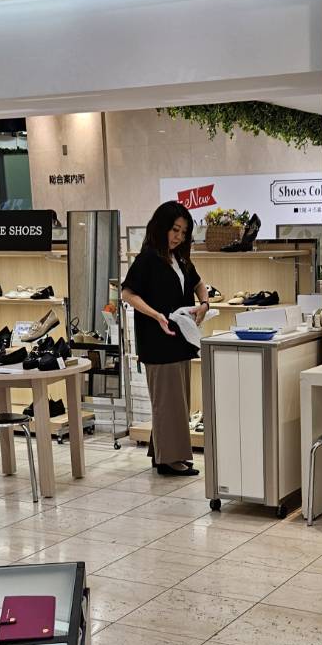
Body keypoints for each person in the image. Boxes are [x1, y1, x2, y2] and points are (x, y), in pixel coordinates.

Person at [120, 201, 209, 476]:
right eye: (175, 230)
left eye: (183, 232)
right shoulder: (148, 258)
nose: (178, 237)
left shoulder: (180, 259)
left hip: (180, 338)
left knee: (176, 400)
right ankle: (170, 459)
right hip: (158, 340)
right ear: (161, 227)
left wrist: (204, 304)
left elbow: (198, 283)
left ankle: (162, 453)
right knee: (167, 401)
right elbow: (128, 293)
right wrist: (156, 315)